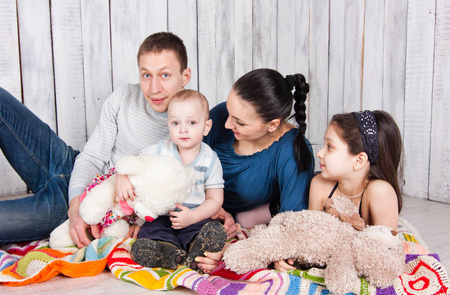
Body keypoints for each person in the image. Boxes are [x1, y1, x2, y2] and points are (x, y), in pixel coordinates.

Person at [0, 32, 192, 246]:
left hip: (95, 205)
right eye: (146, 75)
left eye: (164, 75)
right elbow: (91, 157)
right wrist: (76, 207)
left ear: (185, 77)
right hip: (69, 166)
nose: (154, 88)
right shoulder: (124, 96)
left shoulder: (191, 123)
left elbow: (180, 192)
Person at [196, 68, 315, 272]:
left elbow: (292, 221)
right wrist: (211, 207)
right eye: (230, 112)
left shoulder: (292, 151)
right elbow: (184, 162)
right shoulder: (223, 115)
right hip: (201, 205)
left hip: (241, 222)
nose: (226, 123)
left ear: (272, 125)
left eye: (239, 122)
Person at [275, 110, 403, 271]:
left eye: (329, 147)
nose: (320, 153)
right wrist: (287, 255)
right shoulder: (319, 184)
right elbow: (309, 236)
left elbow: (386, 255)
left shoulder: (380, 192)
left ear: (359, 160)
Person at [113, 89, 227, 271]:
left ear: (206, 126)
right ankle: (166, 252)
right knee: (149, 230)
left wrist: (194, 216)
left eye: (192, 122)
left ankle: (196, 250)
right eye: (175, 123)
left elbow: (215, 199)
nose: (183, 129)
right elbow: (132, 161)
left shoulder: (210, 159)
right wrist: (121, 177)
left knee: (206, 229)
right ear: (168, 125)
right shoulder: (161, 150)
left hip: (195, 215)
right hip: (163, 215)